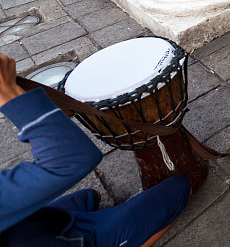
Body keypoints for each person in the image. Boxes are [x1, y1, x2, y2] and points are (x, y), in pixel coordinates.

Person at [0, 54, 191, 247]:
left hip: (27, 226)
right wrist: (7, 93)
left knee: (90, 195)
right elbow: (71, 160)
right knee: (182, 187)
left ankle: (49, 222)